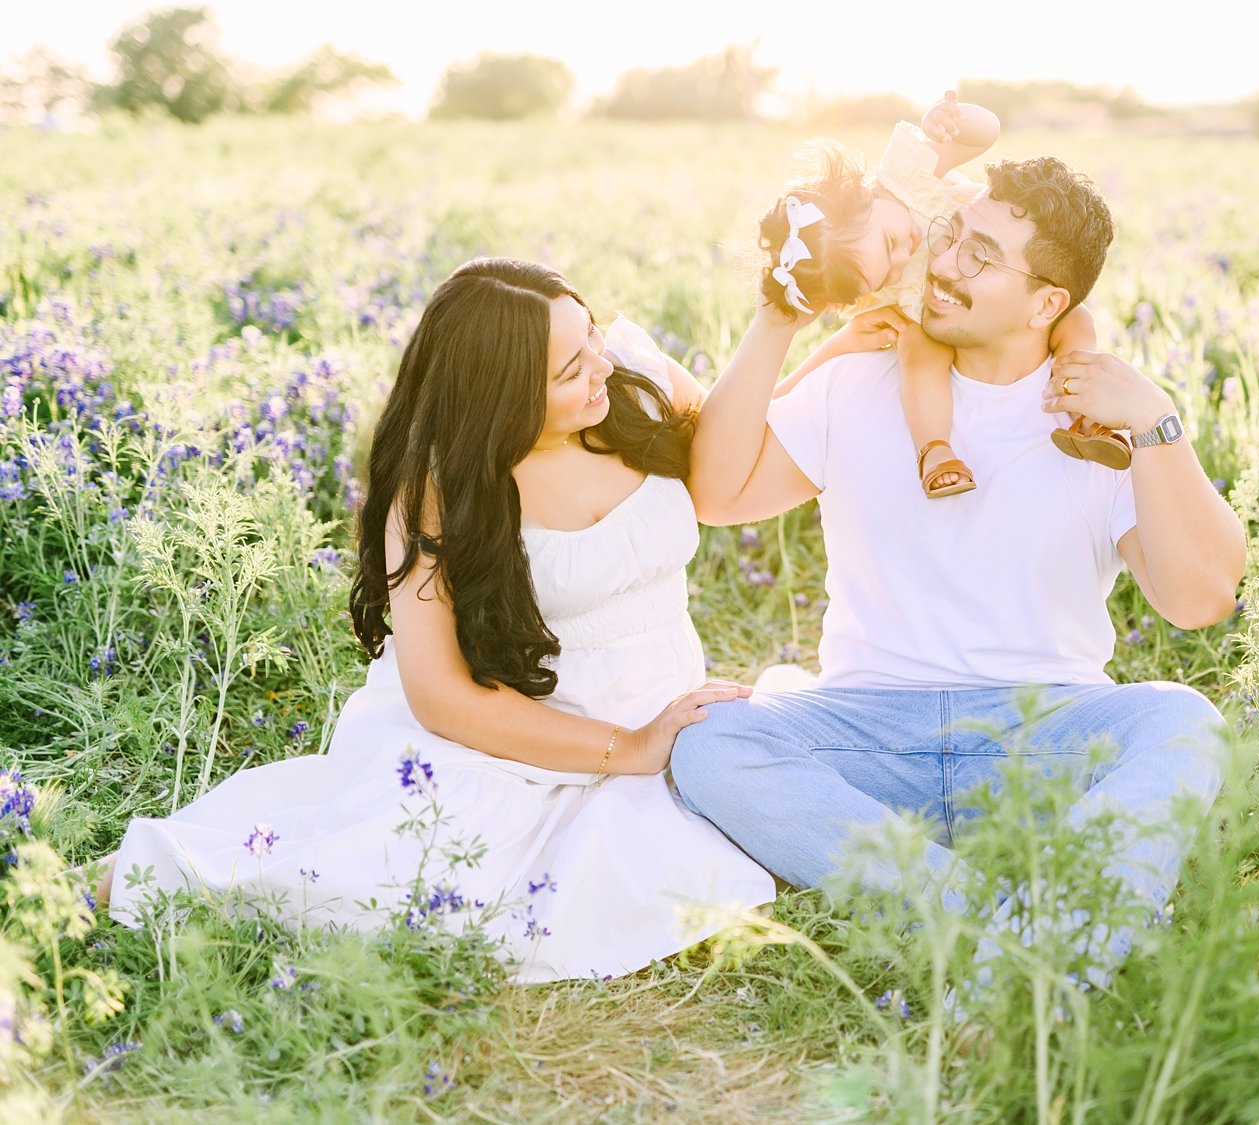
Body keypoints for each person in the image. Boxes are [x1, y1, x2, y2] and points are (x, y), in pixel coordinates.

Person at [103, 258, 774, 982]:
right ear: (502, 399)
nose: (601, 367)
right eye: (570, 368)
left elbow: (748, 464)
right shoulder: (440, 488)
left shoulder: (634, 380)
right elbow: (442, 696)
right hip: (513, 740)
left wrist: (817, 331)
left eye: (593, 336)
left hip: (667, 714)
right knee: (392, 883)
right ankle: (122, 882)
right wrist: (630, 746)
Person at [674, 155, 1245, 988]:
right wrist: (777, 319)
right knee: (708, 742)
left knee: (1185, 723)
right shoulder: (859, 380)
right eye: (951, 236)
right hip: (867, 731)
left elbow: (1199, 599)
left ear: (1048, 302)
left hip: (1038, 738)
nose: (941, 265)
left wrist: (1160, 423)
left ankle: (977, 930)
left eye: (980, 257)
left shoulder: (1099, 419)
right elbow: (716, 492)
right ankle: (1024, 940)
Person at [759, 92, 1129, 498]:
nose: (907, 260)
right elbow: (836, 354)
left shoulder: (905, 177)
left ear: (861, 196)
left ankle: (1088, 415)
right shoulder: (881, 283)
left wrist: (951, 120)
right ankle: (935, 450)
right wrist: (781, 390)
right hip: (931, 317)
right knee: (919, 353)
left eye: (889, 243)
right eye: (884, 275)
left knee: (1078, 322)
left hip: (993, 290)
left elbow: (985, 134)